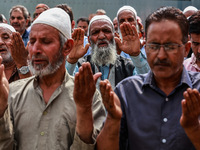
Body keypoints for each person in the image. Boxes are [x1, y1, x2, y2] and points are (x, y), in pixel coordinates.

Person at [0, 8, 106, 149]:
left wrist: (84, 109)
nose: (36, 49)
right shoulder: (14, 93)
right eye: (32, 41)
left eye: (46, 41)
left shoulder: (88, 96)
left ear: (67, 46)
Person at [100, 6, 200, 149]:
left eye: (170, 46)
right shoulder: (126, 92)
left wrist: (194, 129)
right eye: (153, 46)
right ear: (145, 48)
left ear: (186, 49)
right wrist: (112, 120)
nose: (161, 55)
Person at [66, 15, 149, 89]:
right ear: (89, 41)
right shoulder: (81, 66)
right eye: (95, 32)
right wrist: (71, 60)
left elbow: (146, 84)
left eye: (106, 31)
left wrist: (136, 55)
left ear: (114, 37)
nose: (101, 36)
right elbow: (64, 87)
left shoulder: (127, 66)